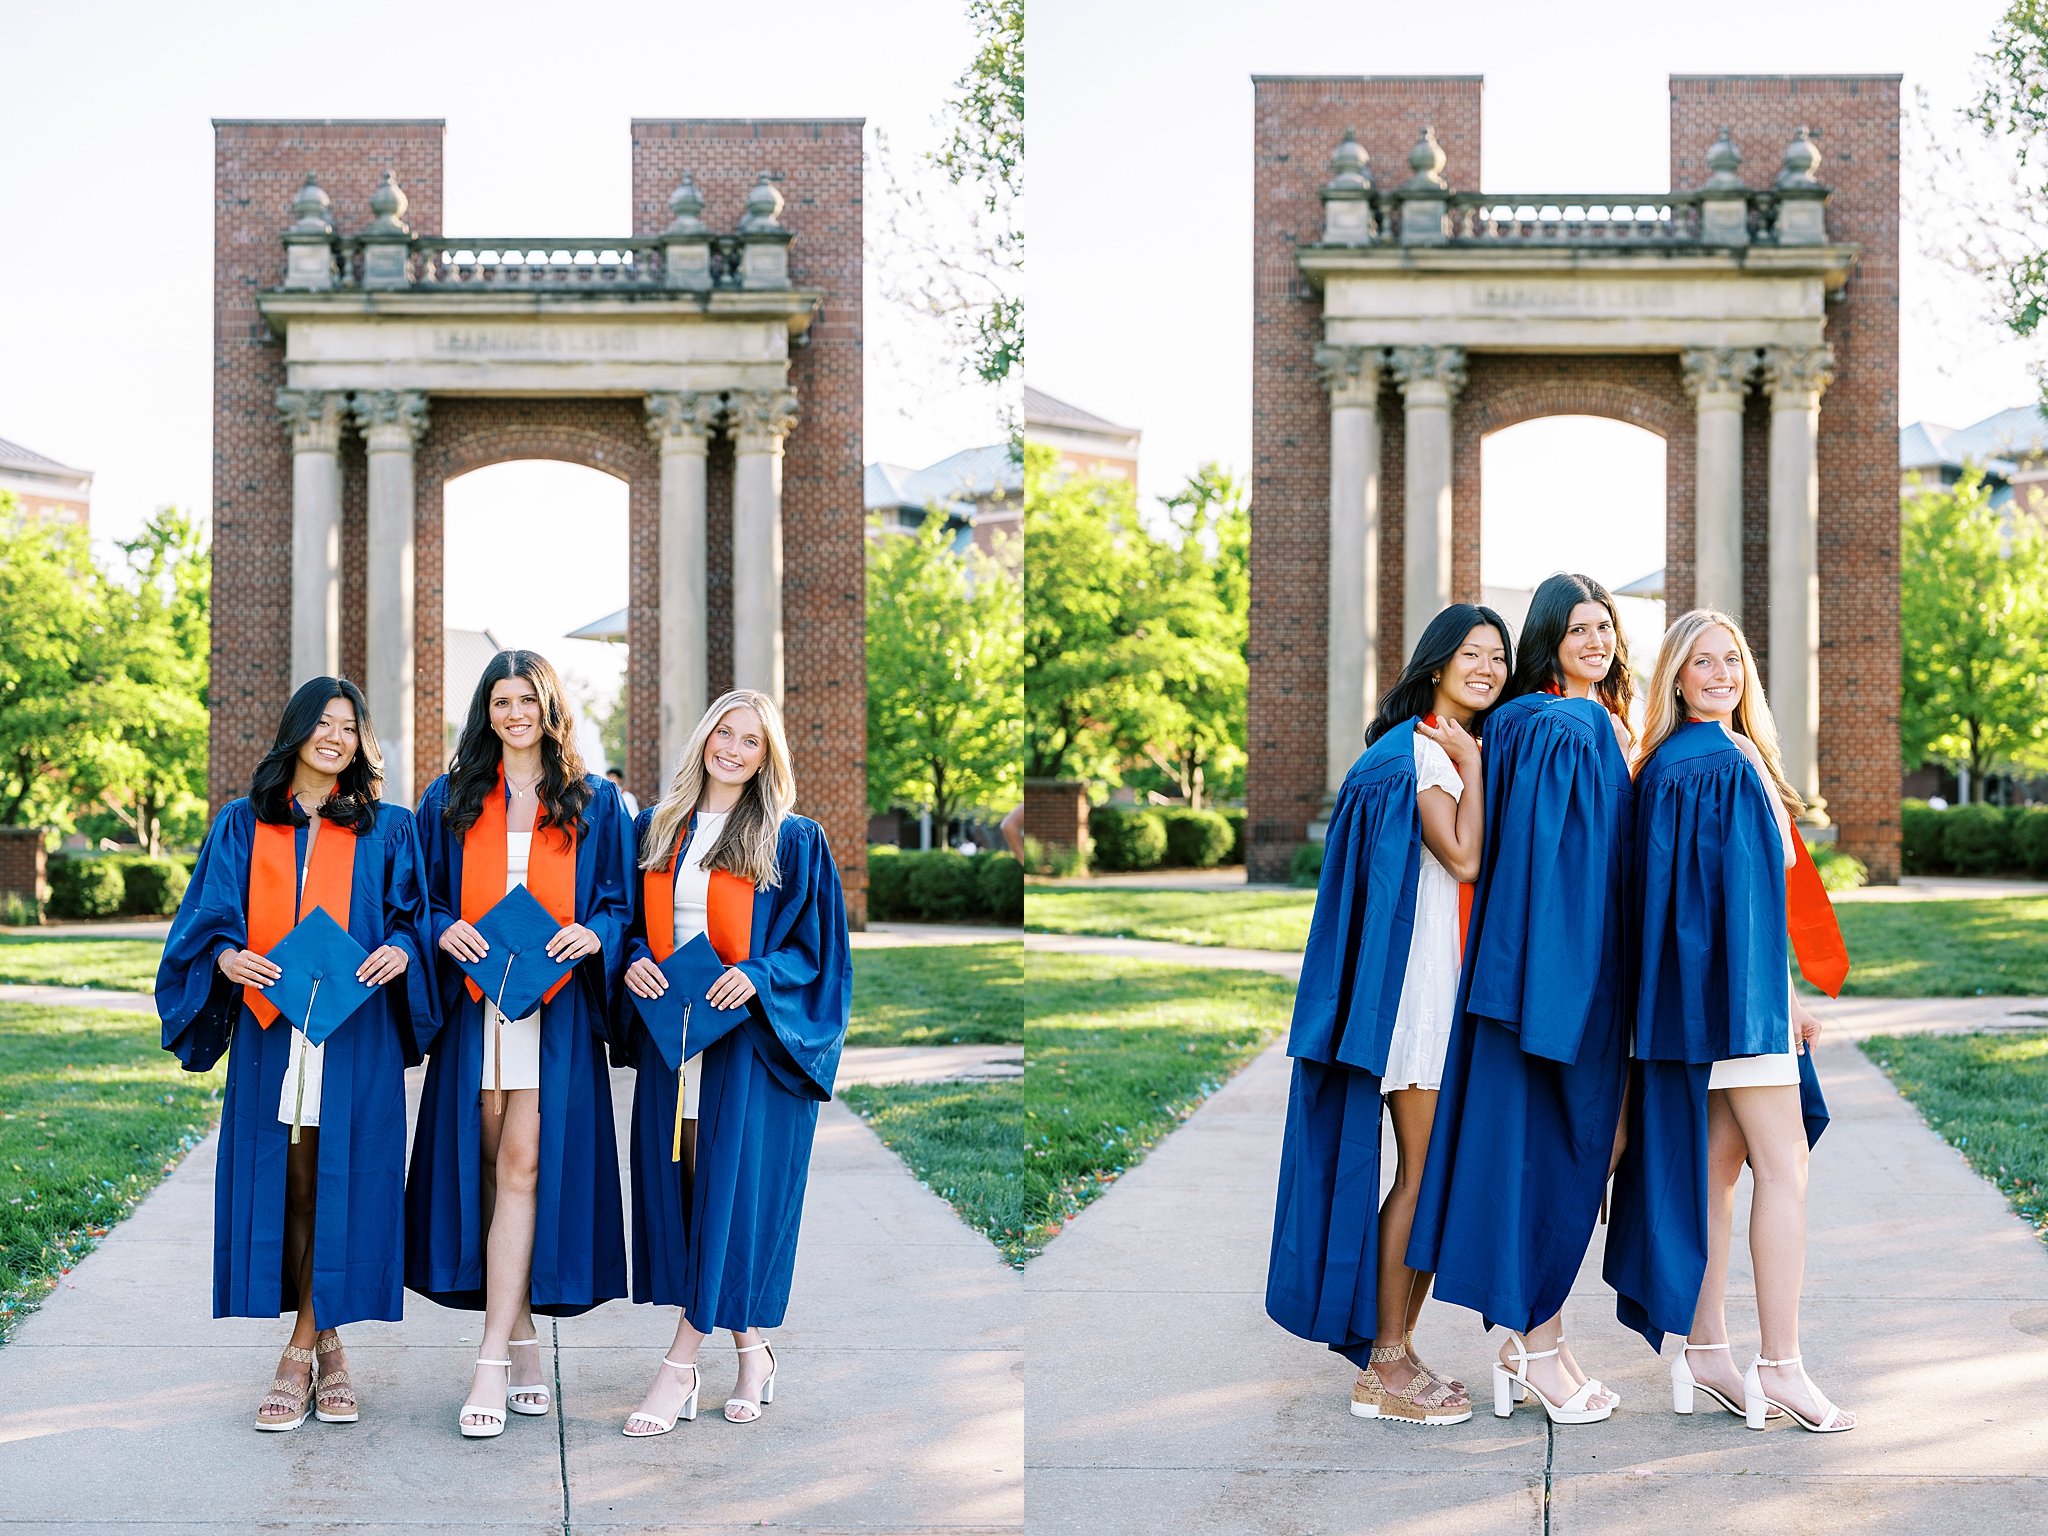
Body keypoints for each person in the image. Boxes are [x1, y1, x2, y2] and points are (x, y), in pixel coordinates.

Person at [157, 678, 436, 1432]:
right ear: (295, 731)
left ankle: (300, 1349)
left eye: (348, 725)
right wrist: (224, 957)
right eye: (321, 722)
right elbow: (207, 921)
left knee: (338, 1175)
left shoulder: (389, 828)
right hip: (272, 1029)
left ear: (360, 742)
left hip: (354, 1030)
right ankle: (331, 1344)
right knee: (296, 1181)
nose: (334, 735)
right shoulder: (243, 825)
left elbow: (414, 918)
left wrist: (402, 951)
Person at [1607, 610, 1854, 1433]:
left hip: (1684, 1010)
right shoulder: (1720, 762)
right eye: (1702, 662)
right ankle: (1780, 1366)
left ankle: (1708, 1352)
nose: (1721, 674)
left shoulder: (1666, 766)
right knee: (1783, 1169)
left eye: (1732, 660)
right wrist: (1777, 1004)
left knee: (1715, 1172)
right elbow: (1741, 904)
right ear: (1675, 676)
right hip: (1737, 1007)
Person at [1268, 605, 1510, 1427]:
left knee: (1425, 1171)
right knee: (1424, 1172)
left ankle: (1394, 1351)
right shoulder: (1429, 751)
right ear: (1436, 664)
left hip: (1421, 988)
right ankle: (1385, 1364)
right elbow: (1466, 856)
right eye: (1471, 654)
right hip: (1421, 997)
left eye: (1498, 657)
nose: (1487, 667)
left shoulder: (1408, 746)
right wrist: (1474, 769)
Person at [1406, 573, 1638, 1427]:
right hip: (1560, 983)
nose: (1596, 640)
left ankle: (1534, 1338)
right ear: (1551, 638)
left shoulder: (1586, 722)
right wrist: (1560, 997)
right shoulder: (1554, 723)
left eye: (1605, 626)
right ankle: (1536, 1345)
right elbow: (1554, 871)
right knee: (1556, 1154)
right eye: (1578, 628)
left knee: (1590, 1146)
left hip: (1581, 981)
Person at [405, 650, 636, 1439]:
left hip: (555, 1007)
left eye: (526, 699)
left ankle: (489, 1362)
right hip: (477, 1007)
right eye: (500, 700)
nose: (514, 713)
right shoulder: (451, 799)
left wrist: (591, 933)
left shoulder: (595, 803)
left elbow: (618, 903)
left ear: (550, 706)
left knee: (526, 1164)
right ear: (487, 711)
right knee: (486, 1164)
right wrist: (446, 928)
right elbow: (422, 900)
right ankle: (525, 1338)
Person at [615, 690, 852, 1436]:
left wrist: (759, 973)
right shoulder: (656, 830)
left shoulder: (791, 839)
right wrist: (631, 963)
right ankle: (754, 1353)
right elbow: (624, 921)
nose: (734, 748)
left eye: (752, 740)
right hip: (673, 1039)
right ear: (704, 737)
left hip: (748, 1047)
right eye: (726, 731)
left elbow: (819, 953)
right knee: (686, 1194)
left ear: (766, 757)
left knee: (727, 1199)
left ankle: (679, 1367)